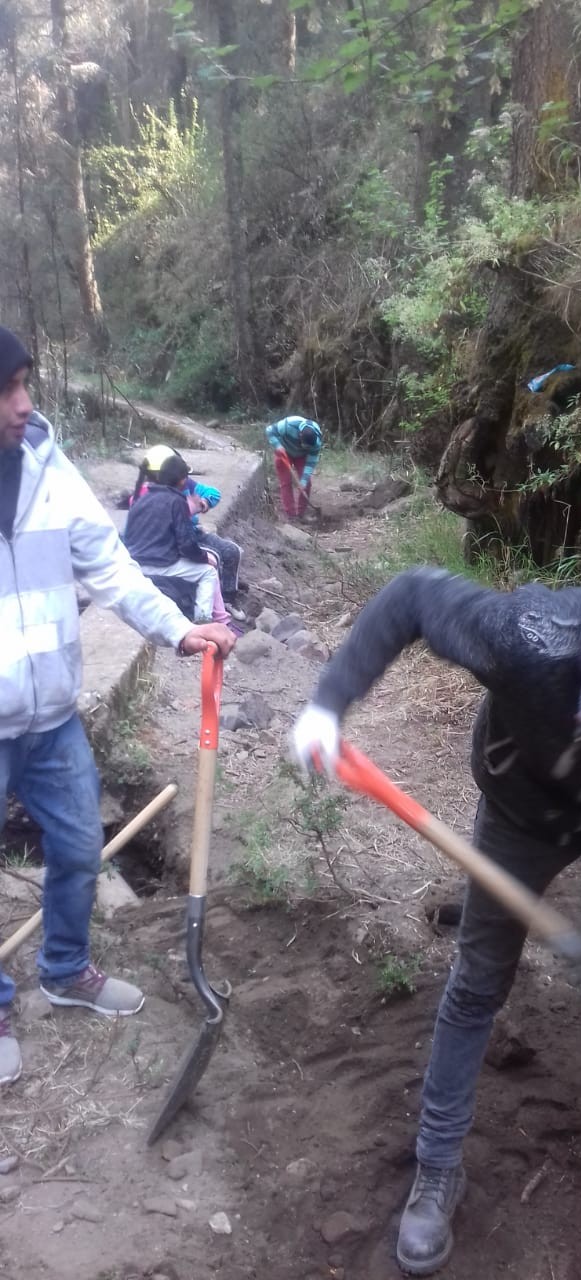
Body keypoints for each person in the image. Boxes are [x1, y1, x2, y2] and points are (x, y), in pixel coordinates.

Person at [292, 558, 581, 1273]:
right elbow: (413, 595)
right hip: (524, 808)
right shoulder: (539, 640)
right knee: (481, 979)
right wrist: (328, 704)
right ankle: (437, 1167)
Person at [0, 325, 236, 1087]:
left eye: (25, 383)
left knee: (75, 849)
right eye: (7, 389)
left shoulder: (46, 466)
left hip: (53, 719)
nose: (22, 403)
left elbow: (111, 567)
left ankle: (64, 969)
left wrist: (177, 629)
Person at [124, 452, 242, 634]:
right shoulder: (176, 501)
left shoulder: (139, 499)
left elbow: (128, 535)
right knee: (208, 572)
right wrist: (204, 558)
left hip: (135, 563)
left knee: (207, 563)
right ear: (182, 480)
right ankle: (204, 623)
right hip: (160, 563)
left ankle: (217, 619)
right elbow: (186, 545)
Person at [266, 415, 323, 519]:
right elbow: (269, 430)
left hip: (302, 457)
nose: (304, 447)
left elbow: (310, 463)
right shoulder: (288, 425)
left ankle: (301, 513)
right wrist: (277, 446)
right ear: (300, 435)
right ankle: (291, 515)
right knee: (286, 482)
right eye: (304, 445)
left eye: (308, 447)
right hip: (283, 452)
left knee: (306, 484)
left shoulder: (316, 443)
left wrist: (303, 481)